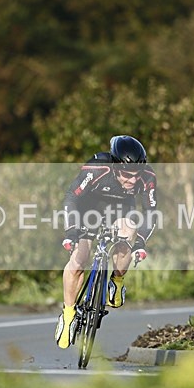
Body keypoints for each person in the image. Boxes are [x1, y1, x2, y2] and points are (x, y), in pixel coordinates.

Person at [55, 135, 157, 349]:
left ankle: (117, 281)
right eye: (126, 175)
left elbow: (150, 212)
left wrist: (139, 243)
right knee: (79, 260)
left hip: (120, 209)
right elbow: (71, 198)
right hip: (88, 206)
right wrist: (71, 231)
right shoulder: (97, 168)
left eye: (135, 176)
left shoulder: (147, 176)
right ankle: (68, 314)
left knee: (128, 234)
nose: (131, 181)